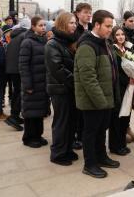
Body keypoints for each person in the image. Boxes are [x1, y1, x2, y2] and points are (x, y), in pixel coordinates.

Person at [75, 9, 121, 179]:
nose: (110, 30)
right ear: (97, 25)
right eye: (107, 26)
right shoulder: (87, 46)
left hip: (105, 98)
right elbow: (88, 78)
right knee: (91, 132)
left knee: (102, 130)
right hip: (93, 100)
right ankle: (90, 164)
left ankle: (101, 156)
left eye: (111, 26)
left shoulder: (105, 43)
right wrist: (101, 101)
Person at [45, 12, 78, 166]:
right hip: (60, 89)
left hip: (70, 88)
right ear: (63, 24)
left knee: (71, 122)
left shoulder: (69, 42)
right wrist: (76, 81)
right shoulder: (52, 44)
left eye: (75, 23)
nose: (74, 25)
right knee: (61, 122)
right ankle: (57, 153)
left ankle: (67, 149)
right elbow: (57, 69)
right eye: (71, 23)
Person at [19, 16, 49, 148]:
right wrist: (28, 85)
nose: (43, 28)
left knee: (39, 111)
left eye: (44, 25)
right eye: (40, 25)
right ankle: (29, 138)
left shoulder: (44, 40)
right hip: (32, 83)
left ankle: (38, 135)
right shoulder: (27, 42)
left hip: (42, 82)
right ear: (33, 27)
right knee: (31, 112)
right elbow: (23, 65)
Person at [108, 26, 134, 156]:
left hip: (129, 87)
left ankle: (122, 143)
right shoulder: (112, 50)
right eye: (117, 35)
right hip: (118, 87)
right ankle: (115, 146)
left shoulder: (128, 49)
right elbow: (115, 71)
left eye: (122, 34)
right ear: (113, 36)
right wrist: (127, 79)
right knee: (117, 118)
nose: (120, 37)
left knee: (126, 116)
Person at [72, 2, 93, 150]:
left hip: (91, 70)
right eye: (85, 12)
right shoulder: (74, 30)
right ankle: (76, 135)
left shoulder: (92, 29)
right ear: (78, 14)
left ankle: (84, 134)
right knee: (77, 109)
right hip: (78, 71)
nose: (88, 15)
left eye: (90, 12)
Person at [4, 18, 31, 131]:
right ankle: (14, 117)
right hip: (19, 69)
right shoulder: (25, 35)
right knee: (21, 92)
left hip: (12, 68)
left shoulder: (16, 35)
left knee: (17, 92)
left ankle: (14, 115)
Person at [121, 10, 134, 142]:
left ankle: (127, 126)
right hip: (124, 74)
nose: (133, 23)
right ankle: (121, 130)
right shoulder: (121, 34)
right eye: (130, 21)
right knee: (123, 102)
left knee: (130, 103)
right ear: (124, 21)